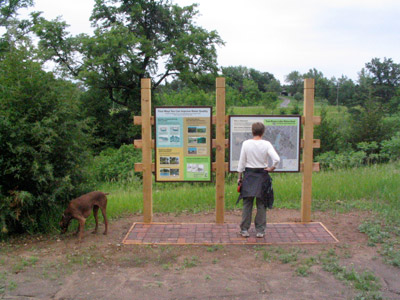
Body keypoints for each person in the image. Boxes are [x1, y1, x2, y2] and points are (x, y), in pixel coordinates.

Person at [237, 122, 280, 238]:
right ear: (263, 132)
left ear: (252, 131)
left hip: (249, 175)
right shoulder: (266, 144)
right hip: (262, 175)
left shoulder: (246, 144)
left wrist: (239, 177)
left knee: (247, 204)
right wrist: (272, 168)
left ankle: (244, 229)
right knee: (261, 204)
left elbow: (242, 162)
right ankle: (260, 230)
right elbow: (276, 158)